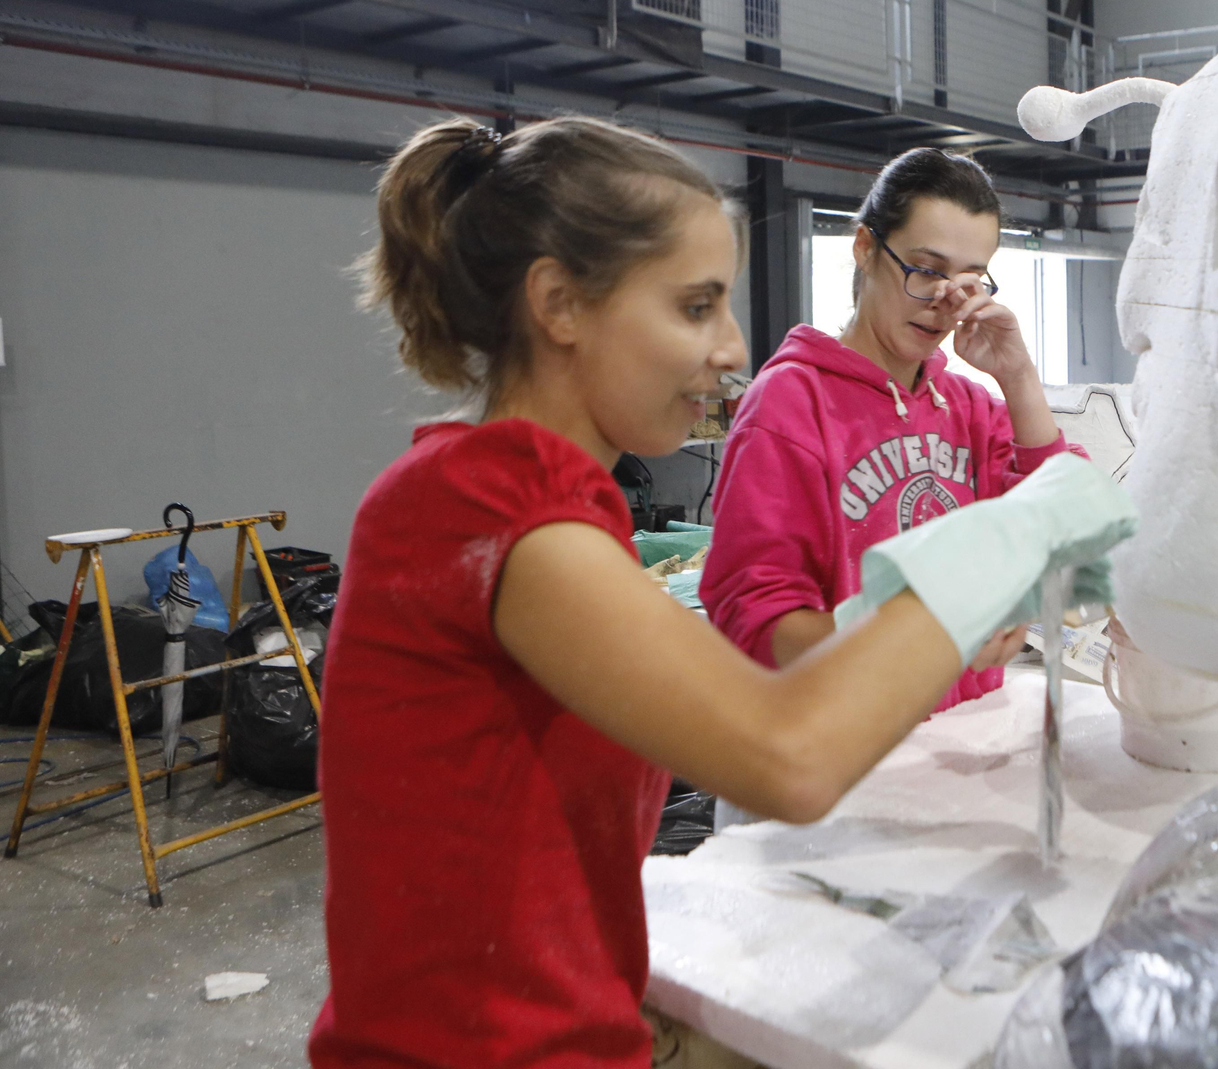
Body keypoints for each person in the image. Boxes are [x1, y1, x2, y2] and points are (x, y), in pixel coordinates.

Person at [310, 118, 1134, 1067]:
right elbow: (789, 752)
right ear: (560, 305)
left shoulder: (562, 508)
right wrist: (1011, 541)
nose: (730, 346)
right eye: (696, 307)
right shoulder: (487, 510)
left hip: (576, 1023)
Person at [701, 148, 1088, 711]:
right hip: (847, 752)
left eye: (969, 281)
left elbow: (1070, 528)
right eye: (926, 271)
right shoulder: (791, 404)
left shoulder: (968, 407)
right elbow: (754, 621)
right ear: (864, 249)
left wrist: (1019, 376)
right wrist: (922, 635)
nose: (942, 302)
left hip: (960, 742)